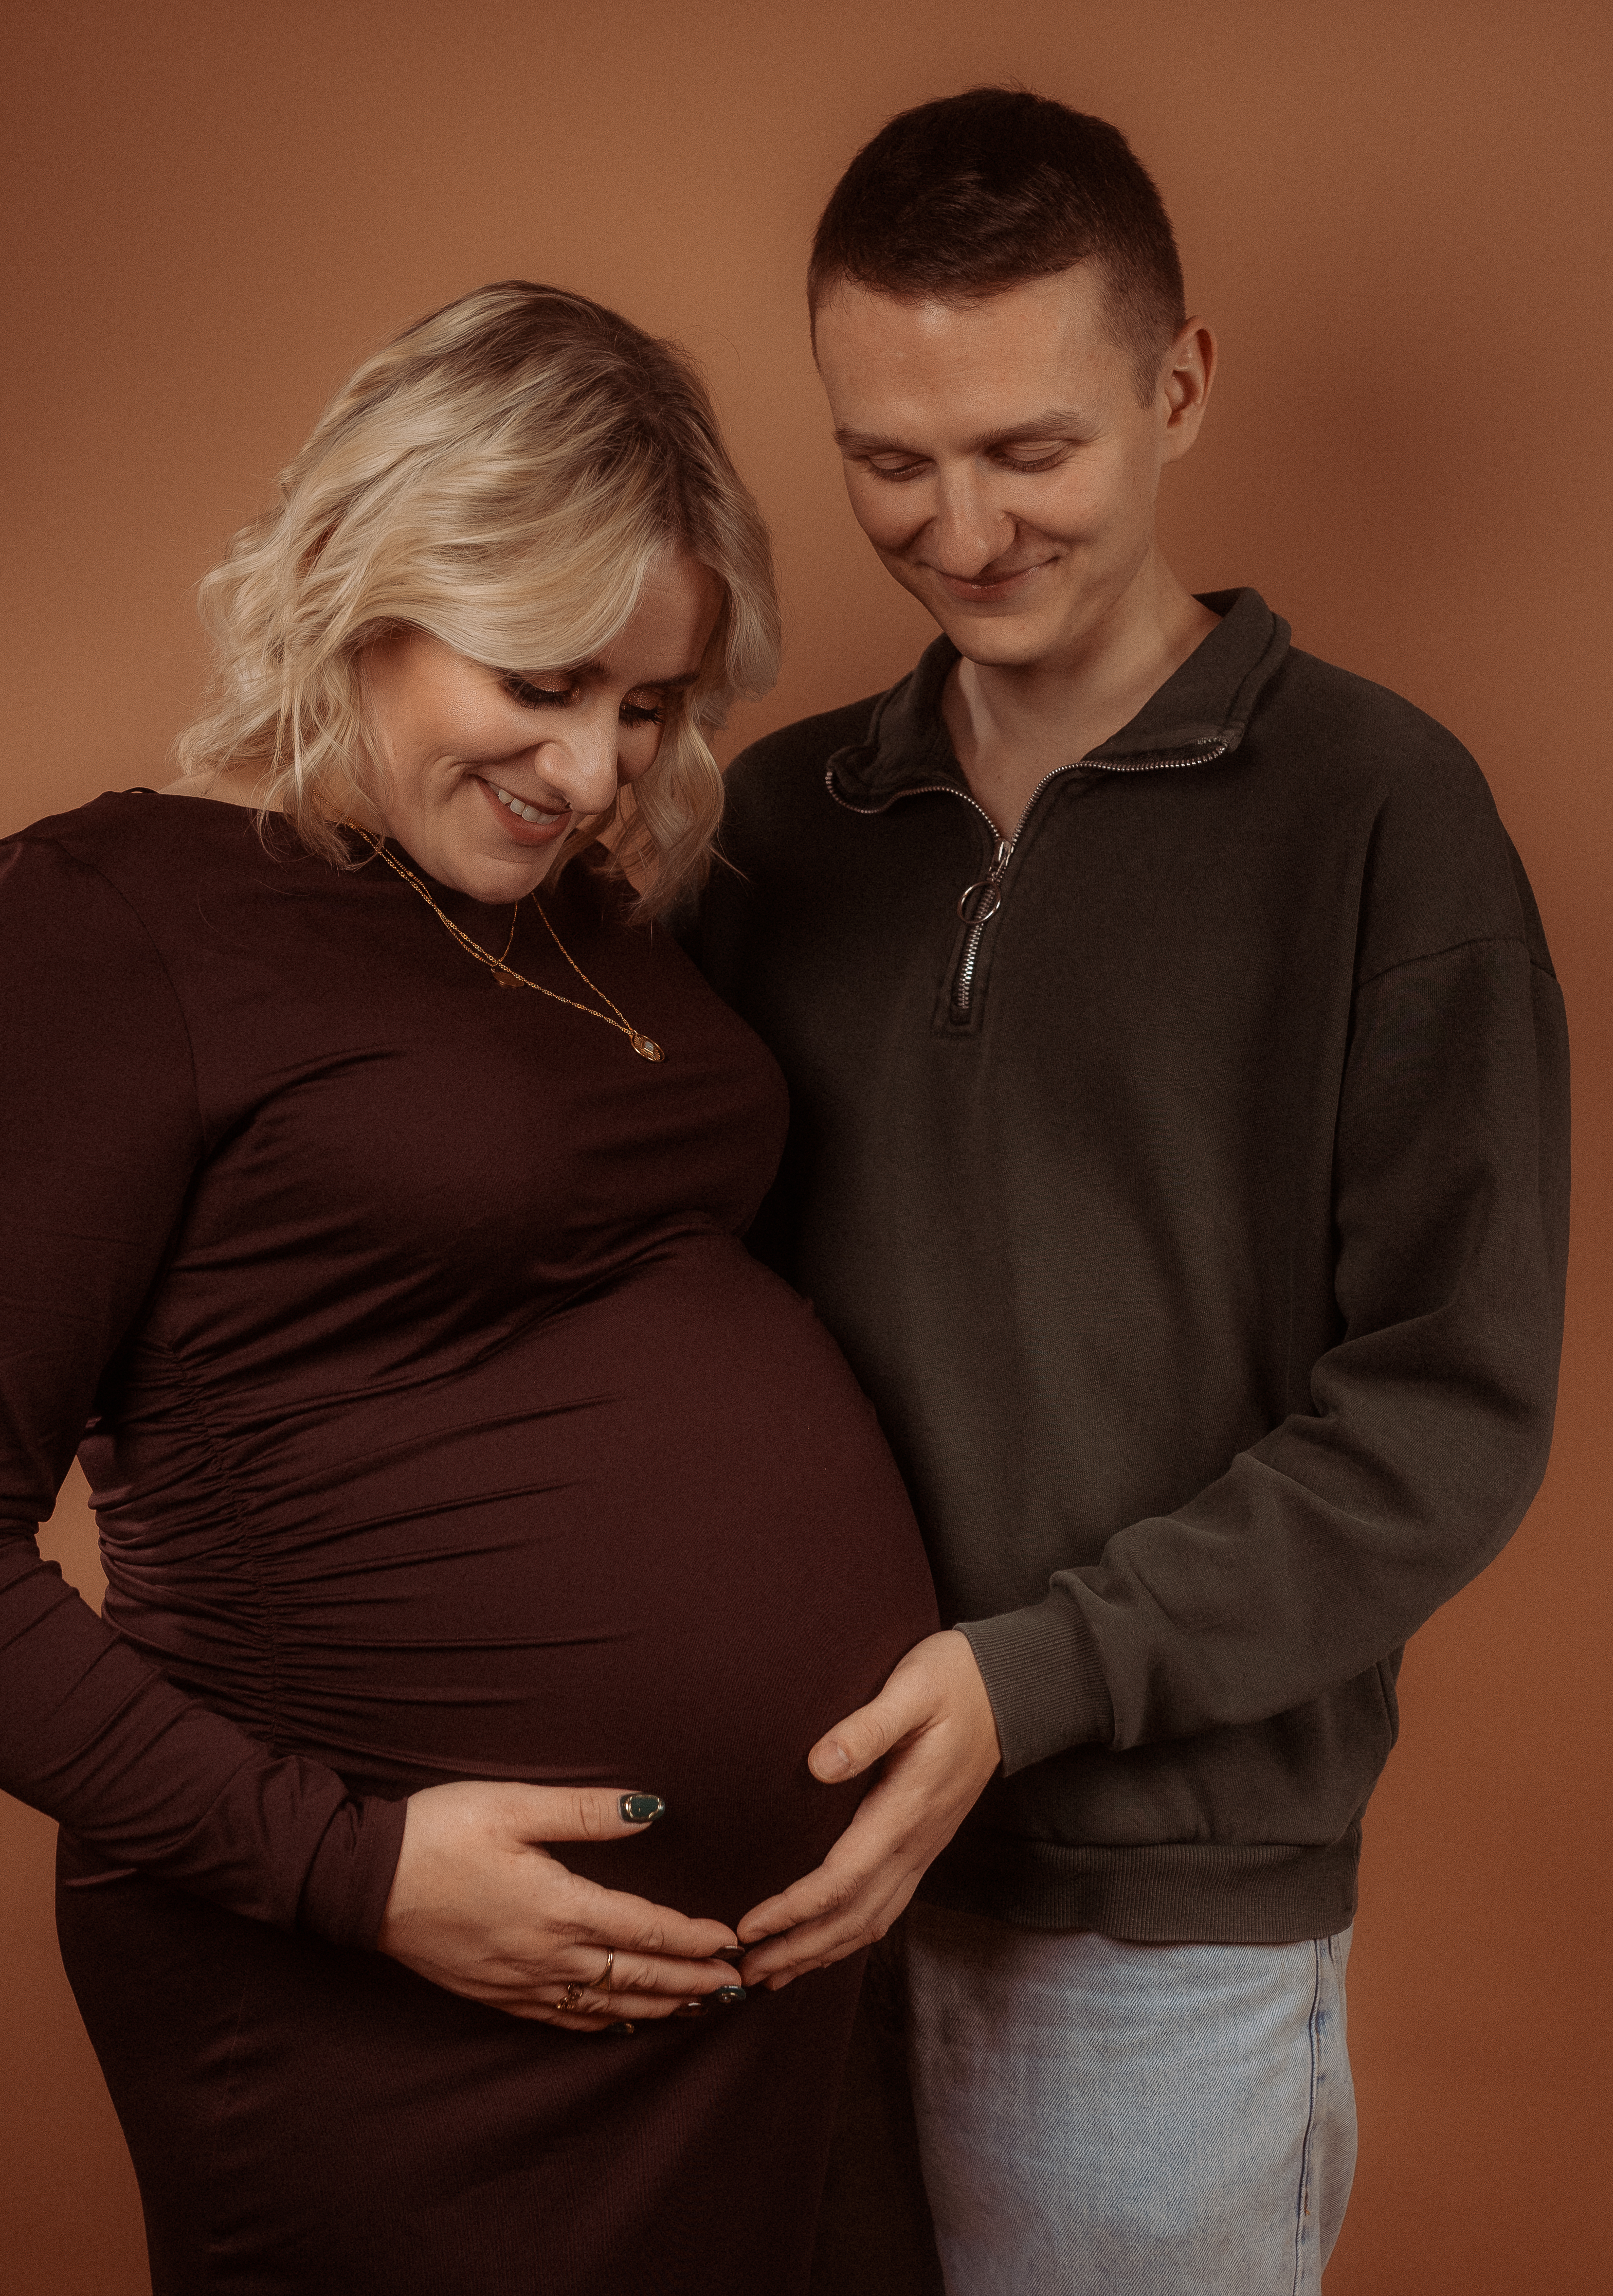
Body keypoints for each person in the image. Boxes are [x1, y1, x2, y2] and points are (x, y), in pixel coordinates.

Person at [0, 281, 938, 2296]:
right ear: (363, 577)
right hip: (381, 2008)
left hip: (734, 2003)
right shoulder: (99, 927)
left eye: (650, 705)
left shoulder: (581, 924)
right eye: (541, 678)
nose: (592, 765)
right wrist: (351, 1872)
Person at [687, 89, 1569, 2295]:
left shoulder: (1383, 814)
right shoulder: (770, 826)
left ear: (1179, 385)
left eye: (1030, 450)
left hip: (1156, 1923)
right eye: (890, 459)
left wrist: (1041, 1676)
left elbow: (1446, 1413)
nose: (960, 529)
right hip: (769, 1886)